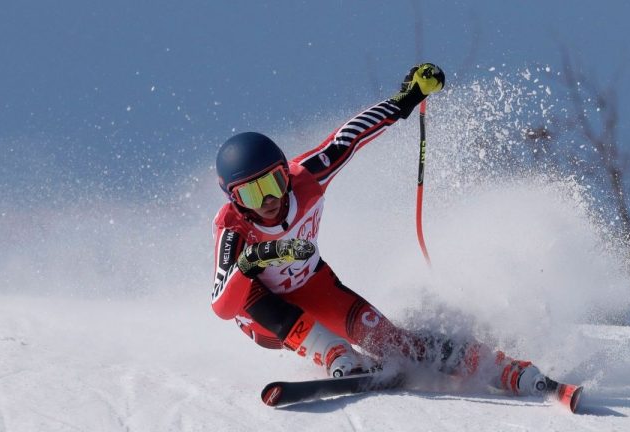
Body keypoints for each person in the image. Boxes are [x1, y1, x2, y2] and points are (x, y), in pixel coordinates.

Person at [211, 63, 554, 397]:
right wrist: (253, 259)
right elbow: (222, 307)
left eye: (274, 181)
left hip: (314, 286)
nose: (269, 199)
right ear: (234, 199)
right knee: (249, 298)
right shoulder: (232, 228)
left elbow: (350, 136)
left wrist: (406, 98)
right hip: (264, 318)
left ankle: (501, 368)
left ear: (286, 172)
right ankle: (335, 354)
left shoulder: (307, 178)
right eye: (252, 193)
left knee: (396, 343)